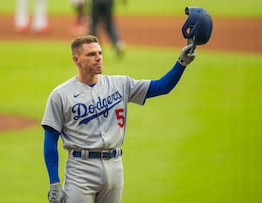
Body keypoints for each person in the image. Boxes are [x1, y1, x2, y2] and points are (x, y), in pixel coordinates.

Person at [42, 35, 196, 203]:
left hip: (115, 167)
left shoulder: (120, 84)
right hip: (81, 170)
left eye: (100, 53)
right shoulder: (61, 95)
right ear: (76, 59)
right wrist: (54, 182)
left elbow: (162, 86)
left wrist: (182, 63)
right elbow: (50, 140)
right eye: (91, 54)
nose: (98, 57)